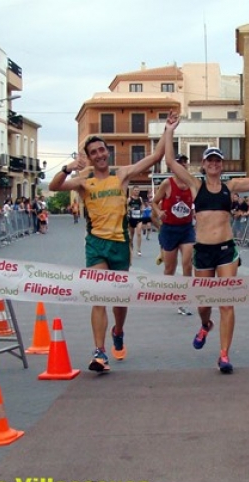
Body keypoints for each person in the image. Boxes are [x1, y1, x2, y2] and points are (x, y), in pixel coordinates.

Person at [163, 112, 249, 373]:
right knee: (203, 304)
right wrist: (169, 131)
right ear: (204, 164)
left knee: (227, 302)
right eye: (209, 160)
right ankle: (205, 324)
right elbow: (169, 161)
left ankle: (223, 354)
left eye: (217, 161)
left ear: (222, 165)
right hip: (203, 251)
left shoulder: (229, 187)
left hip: (226, 250)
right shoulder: (195, 186)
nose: (213, 164)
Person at [48, 128, 167, 373]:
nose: (100, 155)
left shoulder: (122, 175)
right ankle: (100, 351)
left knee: (119, 300)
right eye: (94, 152)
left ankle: (118, 331)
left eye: (102, 150)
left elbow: (156, 157)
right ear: (89, 158)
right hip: (96, 245)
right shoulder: (84, 182)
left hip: (120, 245)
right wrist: (67, 168)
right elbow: (54, 186)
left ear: (108, 153)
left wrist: (167, 130)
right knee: (99, 295)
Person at [152, 152, 196, 316]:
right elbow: (154, 202)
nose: (183, 165)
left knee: (187, 263)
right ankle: (167, 293)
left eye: (185, 162)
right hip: (169, 229)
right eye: (180, 162)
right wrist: (159, 212)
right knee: (169, 269)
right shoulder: (167, 184)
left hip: (186, 229)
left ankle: (184, 300)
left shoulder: (192, 184)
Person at [127, 186, 144, 256]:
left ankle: (139, 249)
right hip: (131, 218)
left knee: (139, 233)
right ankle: (131, 247)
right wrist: (130, 209)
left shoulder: (140, 199)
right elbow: (126, 206)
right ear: (133, 191)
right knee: (131, 235)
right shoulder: (129, 199)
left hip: (139, 218)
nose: (137, 191)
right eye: (135, 190)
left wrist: (142, 209)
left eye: (138, 190)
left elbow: (142, 206)